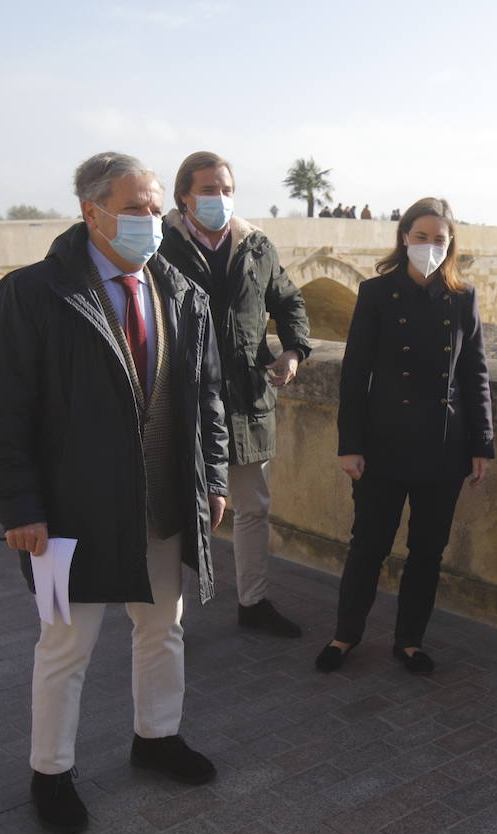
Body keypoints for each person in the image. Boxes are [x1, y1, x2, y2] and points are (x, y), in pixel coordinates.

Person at [0, 152, 229, 834]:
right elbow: (3, 413)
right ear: (92, 212)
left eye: (156, 208)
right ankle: (51, 772)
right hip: (68, 514)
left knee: (162, 630)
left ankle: (157, 737)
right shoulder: (33, 295)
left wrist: (215, 478)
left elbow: (206, 397)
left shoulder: (181, 292)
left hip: (163, 503)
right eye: (138, 208)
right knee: (65, 645)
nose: (154, 220)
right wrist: (21, 508)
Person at [316, 197, 493, 676]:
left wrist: (482, 444)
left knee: (427, 552)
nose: (430, 246)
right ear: (404, 238)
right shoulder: (376, 293)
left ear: (450, 243)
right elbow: (355, 373)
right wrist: (350, 444)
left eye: (439, 239)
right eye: (421, 237)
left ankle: (410, 641)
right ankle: (345, 634)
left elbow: (474, 374)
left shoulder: (463, 297)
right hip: (384, 443)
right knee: (368, 545)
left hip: (444, 446)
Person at [159, 151, 312, 639]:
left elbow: (288, 300)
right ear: (184, 195)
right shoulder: (159, 245)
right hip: (181, 398)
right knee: (181, 507)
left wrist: (293, 351)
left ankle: (254, 601)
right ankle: (166, 613)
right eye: (208, 190)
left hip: (245, 399)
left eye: (226, 190)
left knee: (252, 507)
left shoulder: (257, 246)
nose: (219, 199)